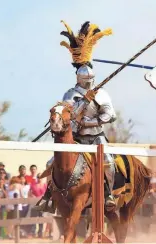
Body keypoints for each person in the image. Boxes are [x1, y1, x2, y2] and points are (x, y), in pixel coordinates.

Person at [33, 20, 115, 212]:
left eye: (90, 80)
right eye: (85, 80)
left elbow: (110, 115)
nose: (87, 83)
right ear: (78, 78)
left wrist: (90, 121)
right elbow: (67, 114)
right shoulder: (70, 94)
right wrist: (83, 102)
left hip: (96, 136)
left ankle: (108, 195)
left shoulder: (101, 93)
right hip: (76, 138)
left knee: (109, 162)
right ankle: (48, 196)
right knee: (51, 162)